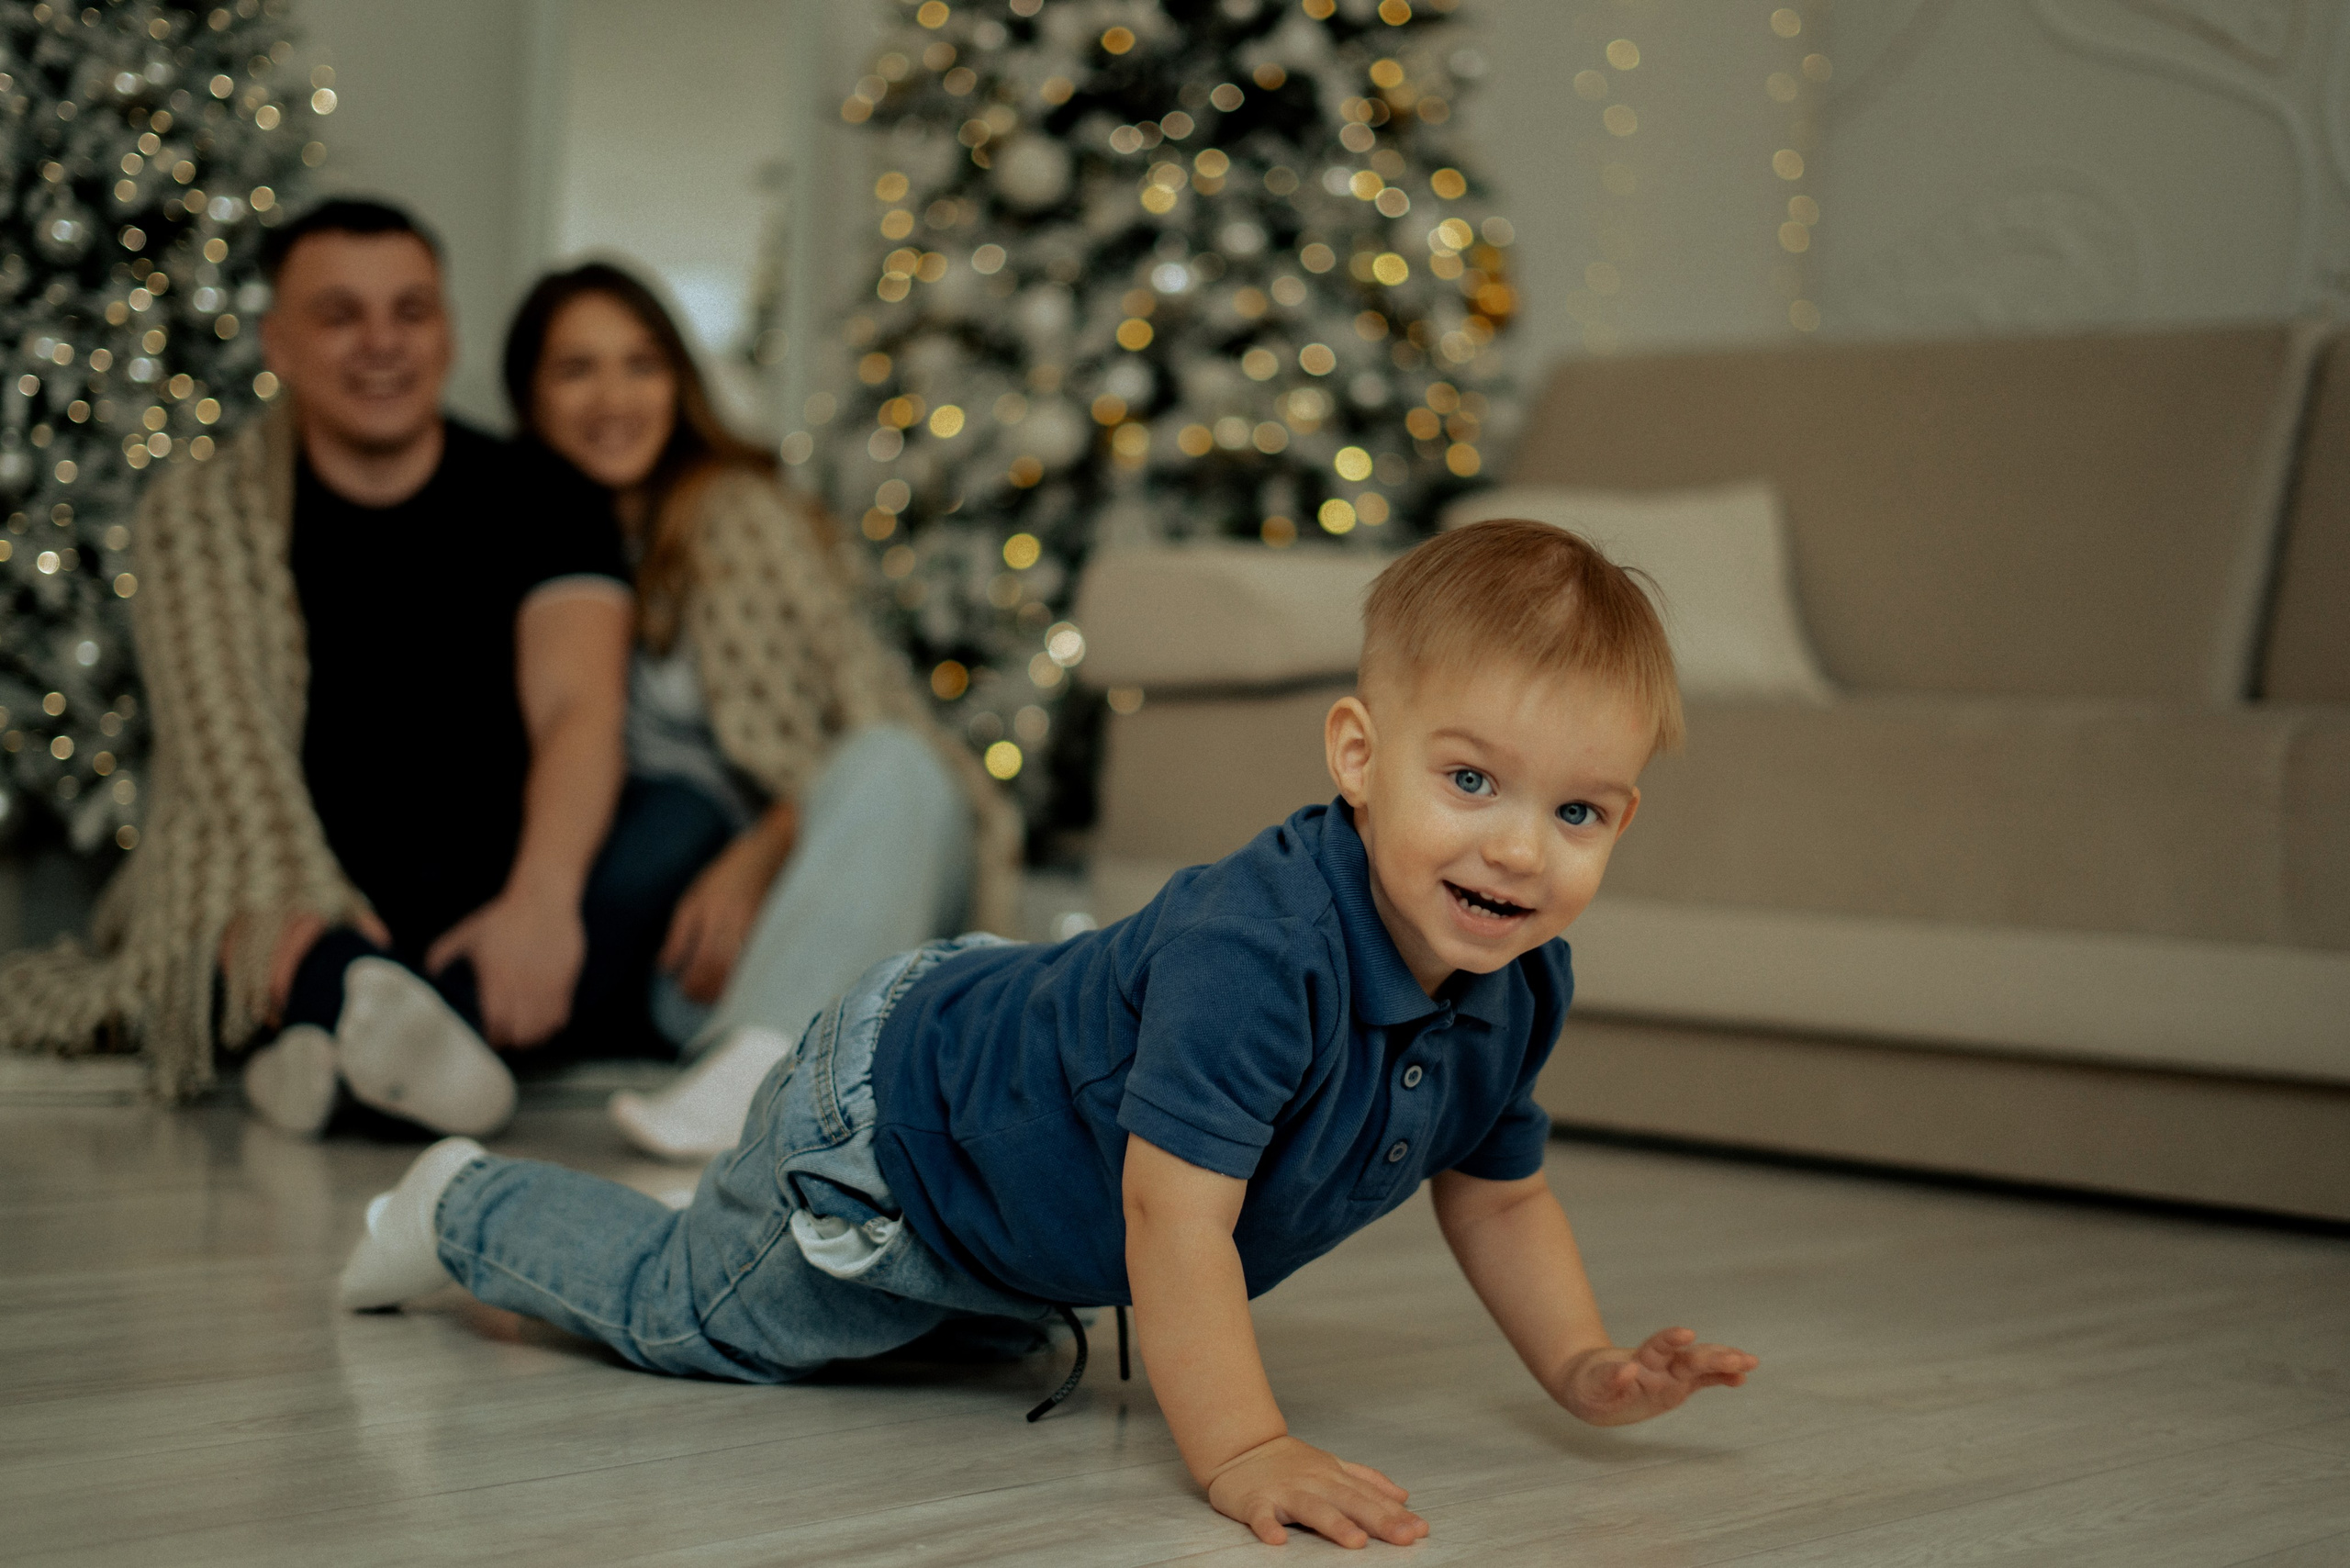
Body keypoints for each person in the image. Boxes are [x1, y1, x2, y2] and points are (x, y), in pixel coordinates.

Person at [337, 520, 1758, 1549]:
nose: (1519, 849)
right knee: (697, 1316)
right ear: (1359, 756)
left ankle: (789, 1229)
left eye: (1576, 812)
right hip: (895, 1125)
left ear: (1621, 819)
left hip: (1012, 1120)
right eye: (1471, 781)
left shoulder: (1521, 986)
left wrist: (1581, 1366)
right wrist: (1246, 1450)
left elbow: (1499, 1198)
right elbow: (1173, 1220)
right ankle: (460, 1202)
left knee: (947, 1349)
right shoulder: (1261, 956)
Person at [0, 198, 647, 1135]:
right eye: (340, 315)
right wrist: (302, 905)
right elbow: (229, 754)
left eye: (410, 312)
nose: (381, 344)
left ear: (447, 331)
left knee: (661, 842)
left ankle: (338, 1045)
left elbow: (579, 708)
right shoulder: (204, 513)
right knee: (228, 917)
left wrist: (541, 902)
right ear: (279, 343)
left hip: (486, 896)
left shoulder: (548, 498)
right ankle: (363, 1018)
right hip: (286, 879)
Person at [498, 263, 1020, 1159]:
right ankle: (763, 1058)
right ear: (529, 395)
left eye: (641, 364)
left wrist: (762, 849)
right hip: (694, 958)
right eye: (576, 369)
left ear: (678, 383)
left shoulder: (736, 513)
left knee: (894, 759)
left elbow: (878, 716)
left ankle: (773, 1079)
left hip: (835, 872)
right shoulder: (524, 547)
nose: (613, 398)